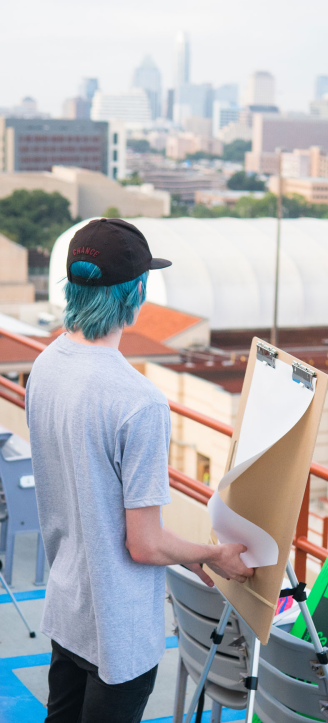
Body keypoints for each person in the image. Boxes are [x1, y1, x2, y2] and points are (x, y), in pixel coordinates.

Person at [25, 218, 253, 723]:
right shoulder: (139, 402)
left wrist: (189, 555)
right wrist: (214, 554)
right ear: (138, 293)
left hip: (69, 607)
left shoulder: (44, 367)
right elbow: (144, 543)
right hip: (118, 627)